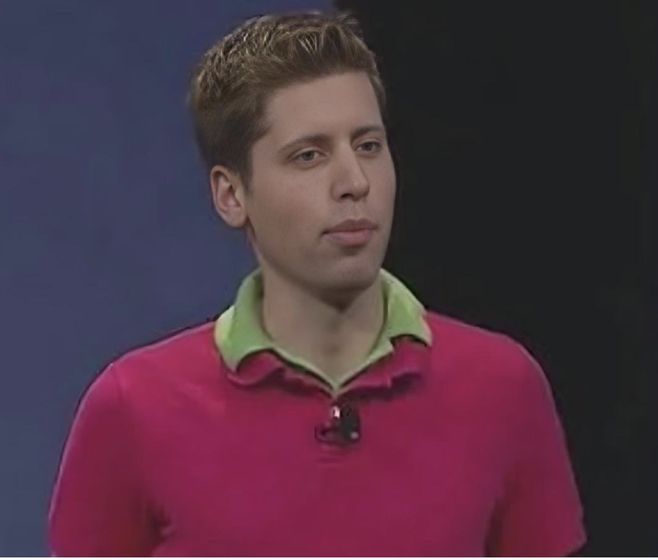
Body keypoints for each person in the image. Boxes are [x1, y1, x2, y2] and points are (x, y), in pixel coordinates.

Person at [48, 10, 586, 556]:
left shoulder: (504, 388)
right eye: (309, 156)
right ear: (231, 195)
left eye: (369, 146)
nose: (355, 182)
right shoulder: (132, 409)